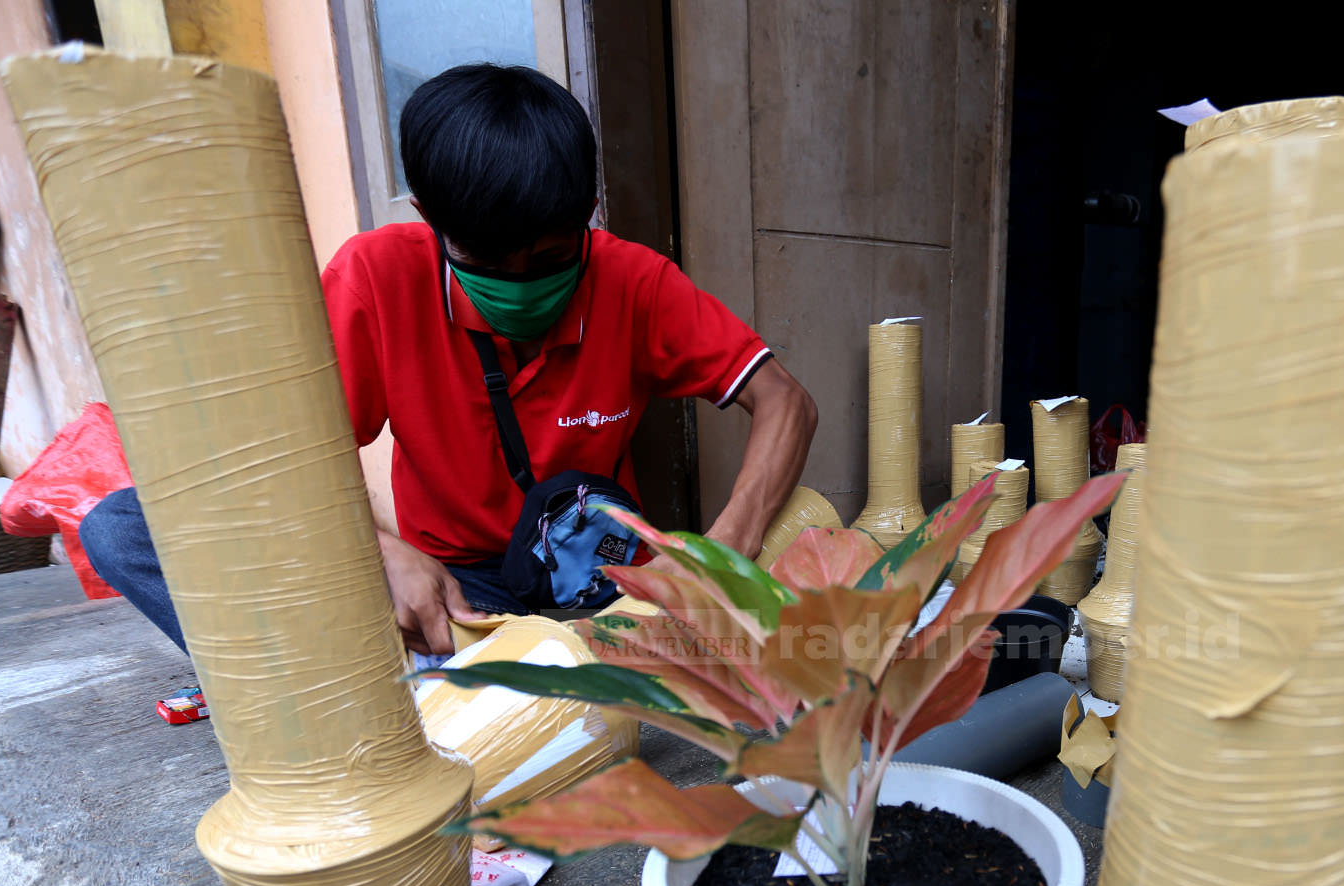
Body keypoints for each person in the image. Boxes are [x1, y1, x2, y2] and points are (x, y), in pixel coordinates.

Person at [82, 63, 817, 657]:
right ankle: (342, 680)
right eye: (490, 263)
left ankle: (456, 681)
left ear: (589, 208)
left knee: (534, 693)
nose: (525, 284)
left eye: (553, 258)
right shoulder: (377, 276)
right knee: (123, 526)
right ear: (432, 222)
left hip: (594, 576)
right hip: (454, 583)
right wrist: (378, 551)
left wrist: (730, 544)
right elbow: (281, 467)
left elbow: (787, 401)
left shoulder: (633, 280)